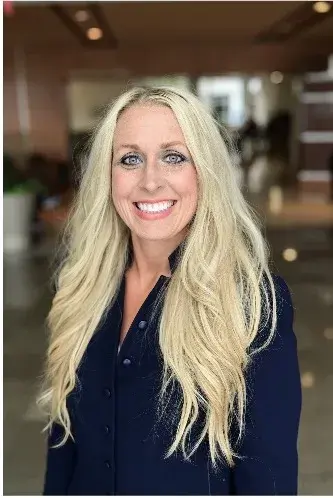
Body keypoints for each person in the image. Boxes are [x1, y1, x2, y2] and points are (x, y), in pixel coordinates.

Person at [38, 86, 301, 495]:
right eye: (130, 159)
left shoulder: (251, 303)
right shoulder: (80, 288)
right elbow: (63, 447)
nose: (150, 181)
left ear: (205, 171)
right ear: (107, 176)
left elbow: (268, 479)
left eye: (173, 156)